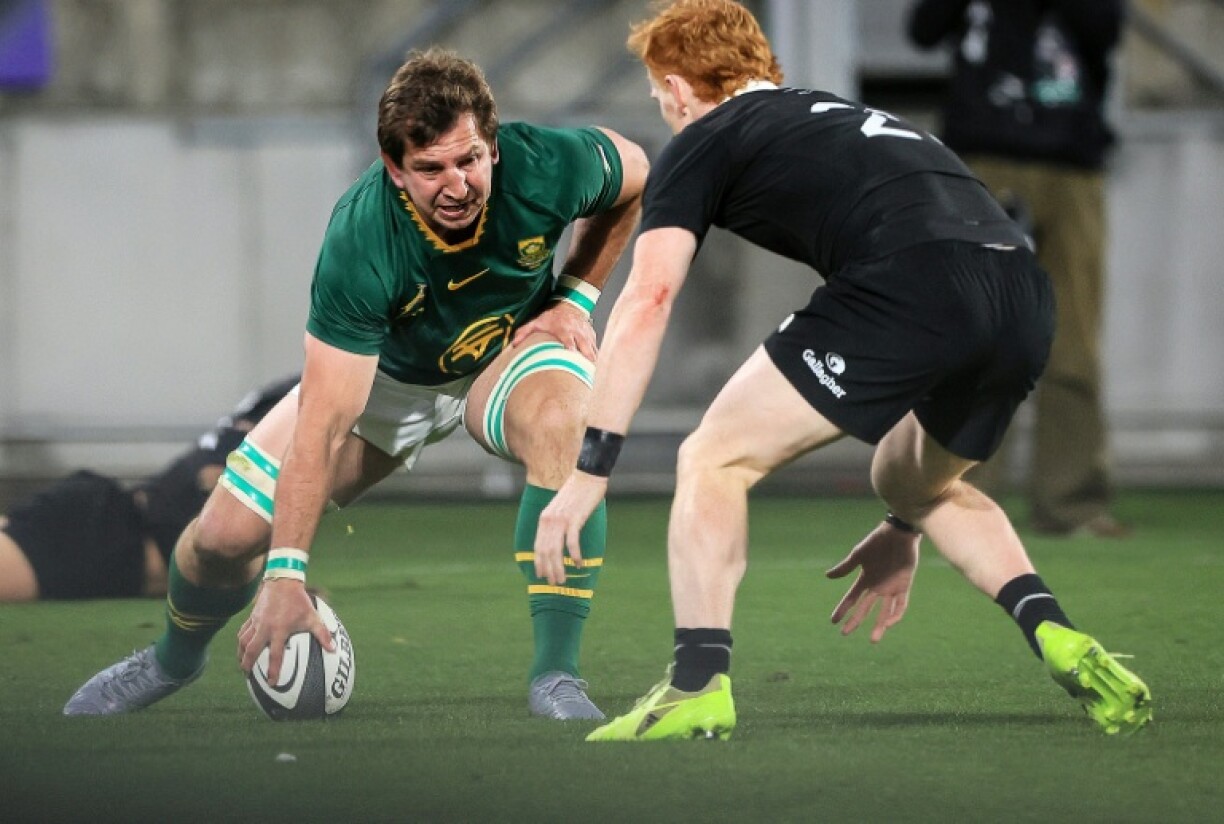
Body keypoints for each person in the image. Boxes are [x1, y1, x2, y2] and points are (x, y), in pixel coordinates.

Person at [533, 0, 1151, 741]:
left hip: (916, 281)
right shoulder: (835, 111)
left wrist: (589, 474)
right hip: (1020, 291)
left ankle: (696, 686)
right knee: (911, 479)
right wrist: (903, 524)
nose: (663, 110)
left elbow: (649, 296)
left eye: (659, 96)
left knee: (713, 458)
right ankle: (1056, 632)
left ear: (677, 87)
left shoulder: (704, 137)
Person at [63, 48, 648, 721]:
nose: (456, 185)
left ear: (493, 146)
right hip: (388, 384)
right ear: (395, 170)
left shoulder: (545, 164)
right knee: (220, 539)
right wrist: (285, 574)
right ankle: (172, 657)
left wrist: (574, 298)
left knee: (563, 425)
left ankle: (557, 675)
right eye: (429, 170)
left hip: (507, 349)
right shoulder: (362, 240)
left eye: (469, 161)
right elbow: (323, 423)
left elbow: (635, 173)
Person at [907, 0, 1128, 537]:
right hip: (984, 156)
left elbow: (1105, 29)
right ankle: (956, 498)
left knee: (1073, 338)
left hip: (1071, 165)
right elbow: (924, 29)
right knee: (977, 333)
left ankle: (1072, 503)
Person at [0, 376, 297, 603]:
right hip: (107, 535)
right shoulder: (300, 400)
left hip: (111, 527)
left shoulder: (296, 395)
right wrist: (275, 582)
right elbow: (217, 481)